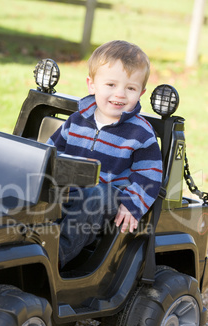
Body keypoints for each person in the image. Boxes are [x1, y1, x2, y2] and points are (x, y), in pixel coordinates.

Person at [47, 40, 163, 270]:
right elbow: (52, 151)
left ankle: (56, 255)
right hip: (69, 190)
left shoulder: (140, 133)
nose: (120, 94)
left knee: (97, 196)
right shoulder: (77, 120)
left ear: (141, 93)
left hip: (109, 196)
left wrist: (132, 204)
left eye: (130, 88)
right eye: (110, 84)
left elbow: (150, 175)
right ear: (92, 85)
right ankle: (26, 240)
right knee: (41, 189)